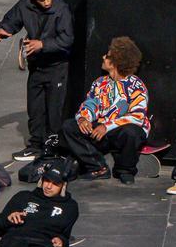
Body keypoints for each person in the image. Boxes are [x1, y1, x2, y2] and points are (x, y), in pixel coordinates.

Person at [0, 0, 74, 161]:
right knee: (35, 108)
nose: (46, 3)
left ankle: (53, 147)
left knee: (54, 109)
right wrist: (3, 29)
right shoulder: (25, 5)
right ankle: (36, 145)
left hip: (57, 67)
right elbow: (12, 20)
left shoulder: (62, 10)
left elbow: (67, 39)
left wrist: (43, 45)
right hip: (37, 67)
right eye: (42, 0)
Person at [61, 36, 149, 184]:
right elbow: (91, 104)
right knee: (69, 126)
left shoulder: (136, 85)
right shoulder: (99, 83)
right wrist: (84, 118)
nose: (103, 57)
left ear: (116, 62)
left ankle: (125, 170)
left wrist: (107, 126)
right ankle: (98, 166)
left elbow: (137, 116)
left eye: (107, 56)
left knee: (132, 132)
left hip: (119, 131)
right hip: (100, 132)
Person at [0, 165, 79, 247]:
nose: (49, 186)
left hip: (42, 242)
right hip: (15, 238)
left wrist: (61, 241)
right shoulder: (23, 197)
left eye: (55, 183)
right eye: (47, 181)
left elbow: (65, 235)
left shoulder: (70, 207)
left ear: (63, 186)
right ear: (41, 180)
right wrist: (8, 219)